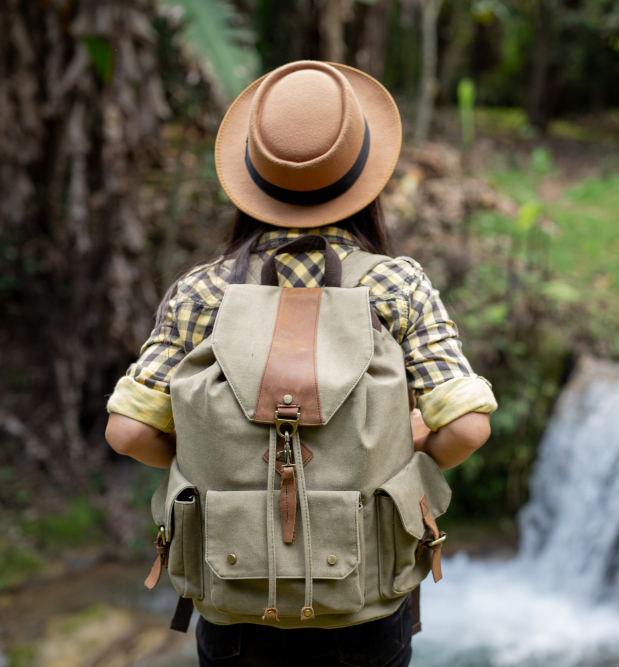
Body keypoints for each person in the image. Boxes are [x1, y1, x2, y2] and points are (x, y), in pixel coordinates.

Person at [105, 60, 496, 666]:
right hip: (365, 607)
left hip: (234, 602)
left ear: (253, 177)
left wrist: (216, 451)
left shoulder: (202, 293)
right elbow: (468, 427)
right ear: (364, 176)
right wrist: (404, 445)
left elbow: (127, 431)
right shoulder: (397, 287)